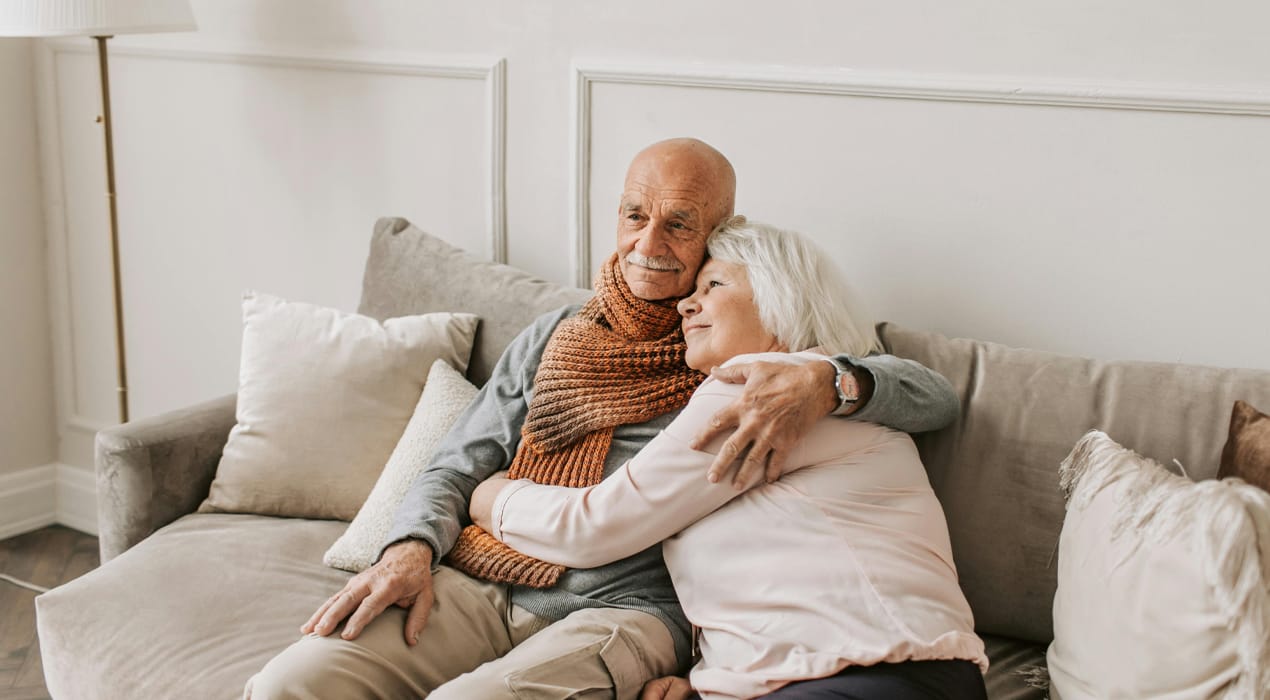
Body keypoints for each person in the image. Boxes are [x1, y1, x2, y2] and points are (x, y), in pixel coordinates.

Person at [246, 139, 960, 699]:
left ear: (718, 234)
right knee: (291, 685)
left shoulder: (744, 362)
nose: (648, 244)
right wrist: (408, 548)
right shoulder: (560, 332)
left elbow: (928, 394)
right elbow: (459, 461)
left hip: (622, 607)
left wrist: (826, 381)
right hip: (489, 573)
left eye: (679, 224)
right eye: (634, 215)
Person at [470, 217, 988, 700]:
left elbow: (595, 527)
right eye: (691, 294)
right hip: (864, 675)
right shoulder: (817, 387)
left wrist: (491, 497)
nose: (685, 307)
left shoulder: (764, 386)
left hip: (880, 674)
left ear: (781, 297)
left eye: (713, 287)